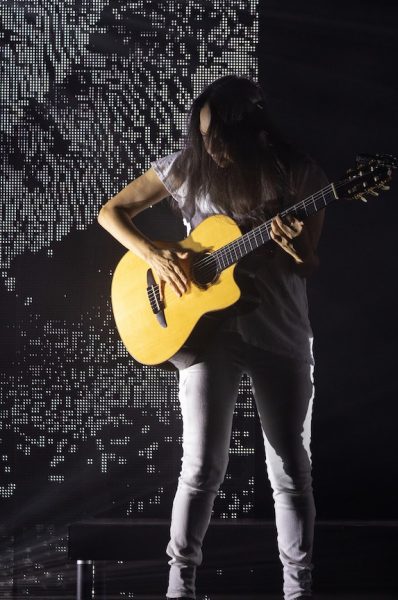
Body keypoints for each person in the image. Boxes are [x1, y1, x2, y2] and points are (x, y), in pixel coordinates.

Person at [97, 75, 327, 600]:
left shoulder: (300, 174)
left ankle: (299, 592)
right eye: (203, 136)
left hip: (279, 328)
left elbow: (310, 263)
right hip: (205, 335)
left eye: (220, 137)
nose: (210, 147)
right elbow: (111, 213)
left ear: (254, 134)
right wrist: (155, 254)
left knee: (290, 466)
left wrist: (297, 252)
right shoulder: (188, 164)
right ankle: (179, 589)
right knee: (201, 465)